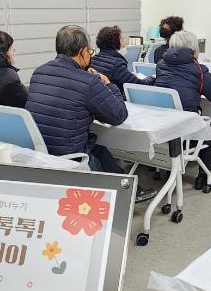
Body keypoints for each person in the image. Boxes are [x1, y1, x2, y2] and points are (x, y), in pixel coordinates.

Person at [25, 25, 155, 202]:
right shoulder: (89, 82)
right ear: (83, 52)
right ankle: (121, 193)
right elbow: (118, 115)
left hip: (41, 150)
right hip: (70, 158)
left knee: (98, 147)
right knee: (95, 148)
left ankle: (127, 188)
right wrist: (108, 84)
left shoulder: (39, 72)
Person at [155, 31, 211, 189]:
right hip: (184, 128)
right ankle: (203, 178)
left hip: (163, 124)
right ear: (193, 49)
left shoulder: (161, 64)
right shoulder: (198, 69)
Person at [90, 25, 154, 95]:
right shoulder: (117, 64)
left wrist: (129, 75)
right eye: (122, 40)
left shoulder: (93, 59)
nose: (124, 43)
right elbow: (139, 84)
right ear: (115, 43)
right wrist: (152, 77)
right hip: (116, 99)